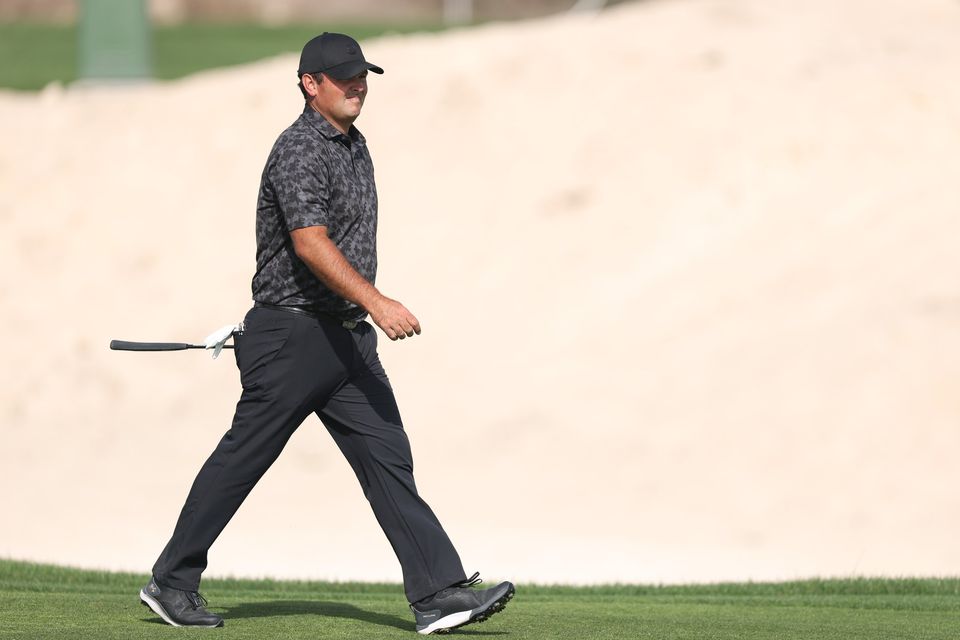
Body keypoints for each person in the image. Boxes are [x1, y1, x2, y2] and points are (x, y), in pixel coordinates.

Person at [138, 32, 514, 635]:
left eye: (362, 74)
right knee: (243, 460)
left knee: (388, 458)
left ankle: (438, 593)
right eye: (344, 76)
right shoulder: (298, 149)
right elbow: (310, 244)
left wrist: (362, 313)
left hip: (345, 338)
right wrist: (377, 302)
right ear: (309, 85)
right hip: (293, 336)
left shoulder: (355, 145)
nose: (357, 85)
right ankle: (172, 582)